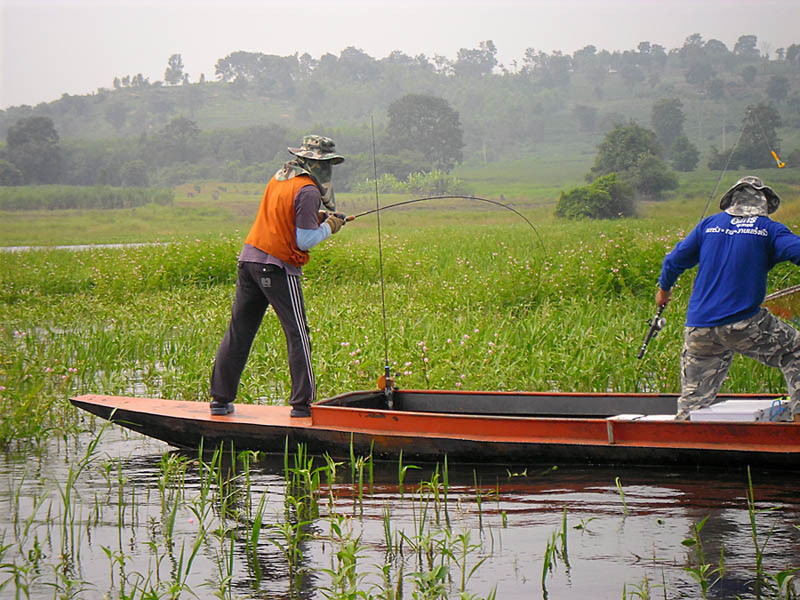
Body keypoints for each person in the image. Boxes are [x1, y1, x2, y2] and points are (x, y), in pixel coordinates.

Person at [209, 135, 345, 418]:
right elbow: (305, 240)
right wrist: (330, 225)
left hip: (249, 260)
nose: (327, 170)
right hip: (277, 267)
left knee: (240, 331)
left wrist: (317, 218)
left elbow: (283, 216)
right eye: (325, 164)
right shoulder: (308, 190)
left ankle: (220, 401)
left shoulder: (280, 178)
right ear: (315, 164)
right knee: (298, 334)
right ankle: (302, 406)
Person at [656, 176, 800, 420]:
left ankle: (685, 440)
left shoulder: (708, 225)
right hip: (743, 323)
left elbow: (672, 261)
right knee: (796, 351)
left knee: (694, 402)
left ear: (732, 200)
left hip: (699, 328)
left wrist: (664, 291)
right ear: (765, 203)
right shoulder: (769, 229)